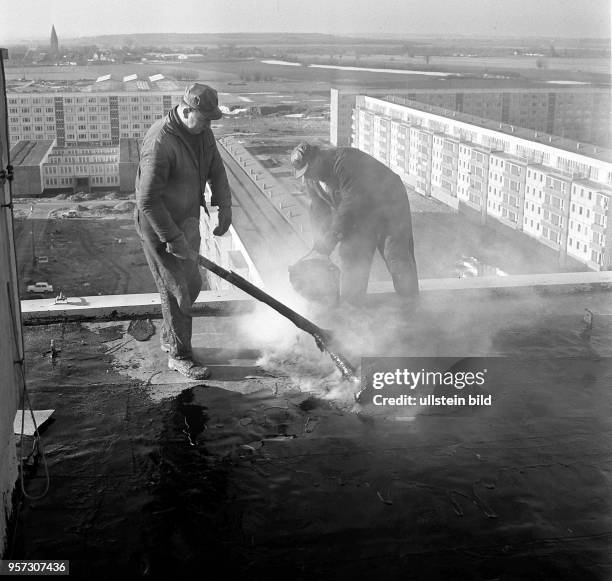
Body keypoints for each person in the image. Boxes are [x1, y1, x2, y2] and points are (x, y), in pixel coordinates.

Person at [135, 83, 232, 379]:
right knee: (178, 289)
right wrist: (172, 239)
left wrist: (224, 205)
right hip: (158, 225)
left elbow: (216, 167)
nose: (207, 125)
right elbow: (148, 200)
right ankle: (180, 355)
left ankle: (170, 337)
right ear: (186, 110)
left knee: (192, 283)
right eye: (203, 119)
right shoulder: (160, 142)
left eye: (210, 120)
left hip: (186, 218)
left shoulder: (201, 130)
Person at [290, 142, 419, 305]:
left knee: (395, 255)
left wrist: (334, 235)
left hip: (389, 206)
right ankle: (352, 310)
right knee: (352, 255)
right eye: (304, 173)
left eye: (309, 170)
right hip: (360, 213)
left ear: (318, 158)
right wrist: (320, 242)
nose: (308, 176)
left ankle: (411, 306)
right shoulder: (312, 179)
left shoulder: (345, 162)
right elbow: (318, 210)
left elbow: (351, 204)